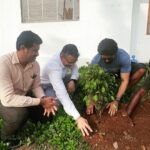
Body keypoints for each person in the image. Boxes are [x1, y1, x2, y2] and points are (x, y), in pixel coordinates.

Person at [0, 31, 58, 149]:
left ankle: (29, 116)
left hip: (24, 95)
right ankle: (5, 137)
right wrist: (40, 102)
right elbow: (8, 99)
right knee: (18, 115)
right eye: (35, 50)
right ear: (23, 48)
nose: (37, 54)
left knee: (47, 117)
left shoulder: (34, 64)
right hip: (5, 98)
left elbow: (36, 86)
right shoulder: (3, 64)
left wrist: (43, 98)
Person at [41, 44, 93, 136]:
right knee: (57, 103)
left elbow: (75, 67)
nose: (72, 65)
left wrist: (72, 80)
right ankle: (68, 105)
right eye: (69, 63)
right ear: (62, 56)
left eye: (74, 62)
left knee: (79, 77)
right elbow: (62, 94)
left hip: (62, 77)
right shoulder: (53, 68)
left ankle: (70, 97)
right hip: (48, 86)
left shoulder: (67, 54)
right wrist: (78, 117)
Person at [86, 38, 145, 116]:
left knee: (141, 70)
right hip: (107, 74)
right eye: (104, 58)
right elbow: (91, 81)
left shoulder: (123, 56)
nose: (107, 60)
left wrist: (116, 101)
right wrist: (91, 100)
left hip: (121, 71)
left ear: (115, 53)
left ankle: (122, 92)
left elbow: (125, 80)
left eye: (109, 58)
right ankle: (116, 91)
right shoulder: (96, 61)